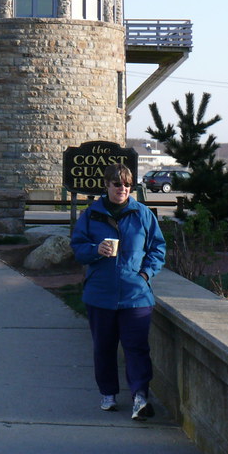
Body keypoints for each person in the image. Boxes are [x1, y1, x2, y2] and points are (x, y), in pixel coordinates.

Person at [70, 163, 166, 421]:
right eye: (117, 184)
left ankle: (139, 396)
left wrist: (145, 274)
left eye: (126, 184)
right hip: (100, 295)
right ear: (107, 186)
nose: (122, 189)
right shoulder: (91, 215)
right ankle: (108, 393)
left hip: (136, 296)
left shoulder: (142, 214)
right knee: (104, 347)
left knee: (137, 348)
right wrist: (94, 250)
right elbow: (77, 247)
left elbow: (158, 248)